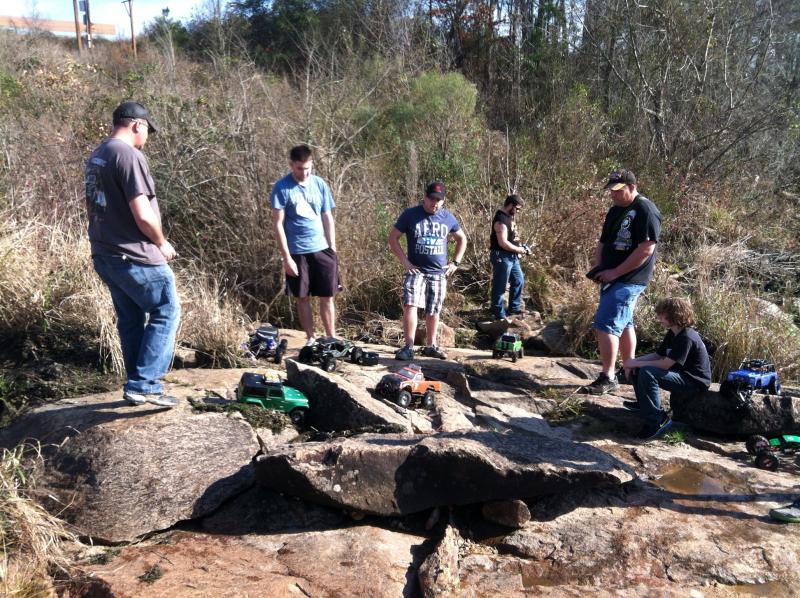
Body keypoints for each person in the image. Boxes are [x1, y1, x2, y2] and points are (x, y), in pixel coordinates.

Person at [85, 101, 180, 407]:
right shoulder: (128, 155)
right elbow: (142, 214)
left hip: (105, 253)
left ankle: (137, 384)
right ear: (137, 125)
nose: (147, 138)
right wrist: (162, 242)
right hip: (133, 254)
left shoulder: (98, 154)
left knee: (130, 318)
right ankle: (146, 383)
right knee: (166, 309)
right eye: (147, 131)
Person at [584, 169, 661, 395]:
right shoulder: (615, 210)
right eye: (611, 191)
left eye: (618, 191)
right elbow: (603, 242)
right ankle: (630, 370)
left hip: (629, 279)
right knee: (625, 323)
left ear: (631, 186)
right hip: (612, 276)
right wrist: (600, 268)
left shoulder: (645, 209)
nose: (613, 195)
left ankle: (607, 376)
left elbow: (647, 248)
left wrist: (616, 272)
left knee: (605, 324)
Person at [388, 181, 468, 360]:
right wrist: (405, 262)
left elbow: (462, 239)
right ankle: (408, 346)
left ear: (443, 201)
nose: (435, 203)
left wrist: (455, 262)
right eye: (432, 199)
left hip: (438, 272)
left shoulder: (448, 217)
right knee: (411, 304)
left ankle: (431, 345)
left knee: (434, 309)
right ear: (425, 197)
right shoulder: (410, 215)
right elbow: (393, 238)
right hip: (416, 270)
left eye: (439, 200)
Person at [271, 144, 340, 345]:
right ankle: (311, 338)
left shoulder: (320, 184)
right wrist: (286, 258)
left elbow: (327, 216)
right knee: (302, 297)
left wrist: (332, 248)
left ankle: (331, 337)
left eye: (308, 168)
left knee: (327, 295)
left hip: (322, 249)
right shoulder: (282, 187)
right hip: (296, 252)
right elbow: (278, 224)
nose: (304, 172)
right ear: (292, 165)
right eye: (300, 168)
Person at [622, 297, 712, 441]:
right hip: (680, 374)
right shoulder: (673, 333)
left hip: (694, 382)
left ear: (674, 315)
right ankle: (644, 405)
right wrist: (632, 362)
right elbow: (658, 355)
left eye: (662, 315)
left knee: (647, 371)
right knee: (639, 368)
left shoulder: (687, 337)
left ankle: (657, 420)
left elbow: (665, 364)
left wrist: (637, 364)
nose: (659, 319)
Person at [489, 194, 530, 320]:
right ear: (510, 205)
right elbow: (502, 243)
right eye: (517, 208)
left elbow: (511, 238)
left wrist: (522, 247)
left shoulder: (509, 217)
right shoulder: (501, 219)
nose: (518, 211)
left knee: (519, 280)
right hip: (501, 256)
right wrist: (519, 250)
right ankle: (498, 313)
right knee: (500, 285)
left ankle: (514, 308)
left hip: (512, 256)